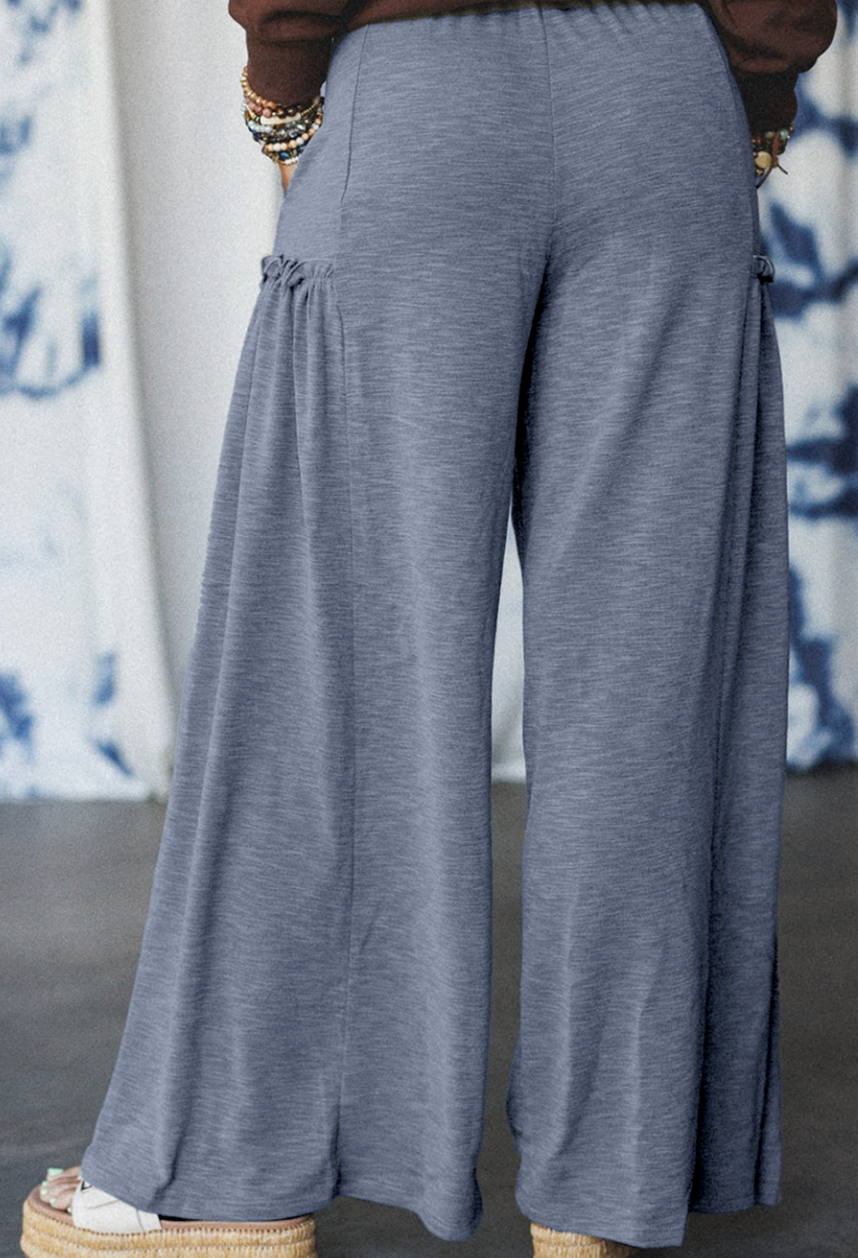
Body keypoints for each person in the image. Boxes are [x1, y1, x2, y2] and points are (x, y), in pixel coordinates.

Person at [20, 2, 838, 1257]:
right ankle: (606, 1191)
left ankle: (234, 1171)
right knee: (647, 689)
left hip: (422, 97)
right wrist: (756, 93)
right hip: (667, 108)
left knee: (332, 668)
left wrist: (282, 86)